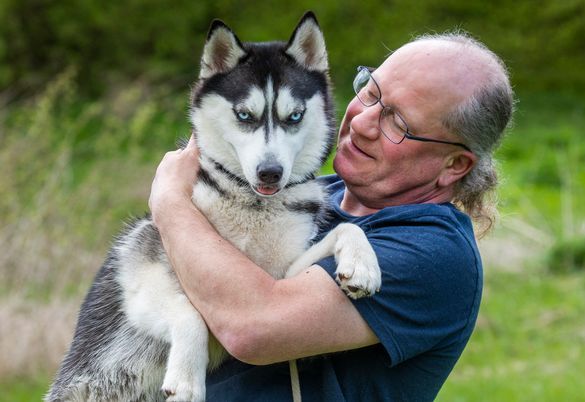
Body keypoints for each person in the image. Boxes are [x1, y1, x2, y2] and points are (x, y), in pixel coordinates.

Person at [148, 32, 514, 402]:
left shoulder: (435, 254)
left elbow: (253, 327)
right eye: (370, 92)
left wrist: (170, 203)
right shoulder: (310, 192)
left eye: (397, 124)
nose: (360, 122)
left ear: (454, 165)